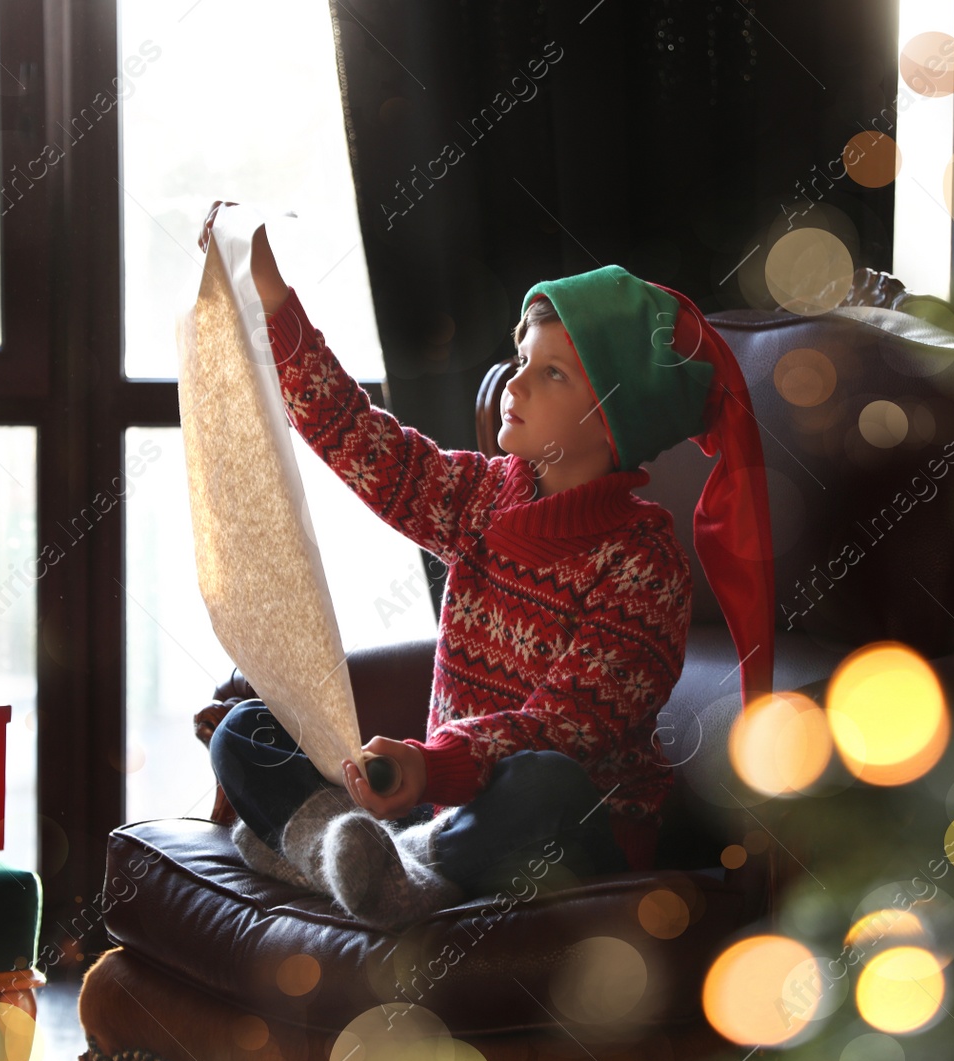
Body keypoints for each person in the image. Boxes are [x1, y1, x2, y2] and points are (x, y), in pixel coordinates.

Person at [199, 200, 776, 931]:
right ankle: (350, 856)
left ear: (613, 421)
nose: (517, 383)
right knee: (245, 730)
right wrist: (270, 295)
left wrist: (428, 765)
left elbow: (564, 728)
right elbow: (359, 438)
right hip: (443, 808)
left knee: (543, 784)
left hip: (562, 834)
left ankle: (380, 861)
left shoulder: (643, 568)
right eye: (523, 361)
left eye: (554, 374)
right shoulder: (481, 495)